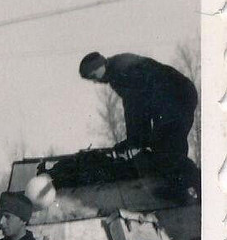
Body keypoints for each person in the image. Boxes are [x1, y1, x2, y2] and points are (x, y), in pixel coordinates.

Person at [78, 52, 198, 195]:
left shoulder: (120, 72)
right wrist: (139, 139)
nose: (95, 81)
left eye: (93, 76)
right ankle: (180, 188)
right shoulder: (118, 67)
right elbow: (140, 105)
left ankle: (198, 185)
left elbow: (135, 106)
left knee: (166, 146)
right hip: (178, 95)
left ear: (100, 66)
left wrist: (135, 140)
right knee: (167, 146)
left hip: (176, 97)